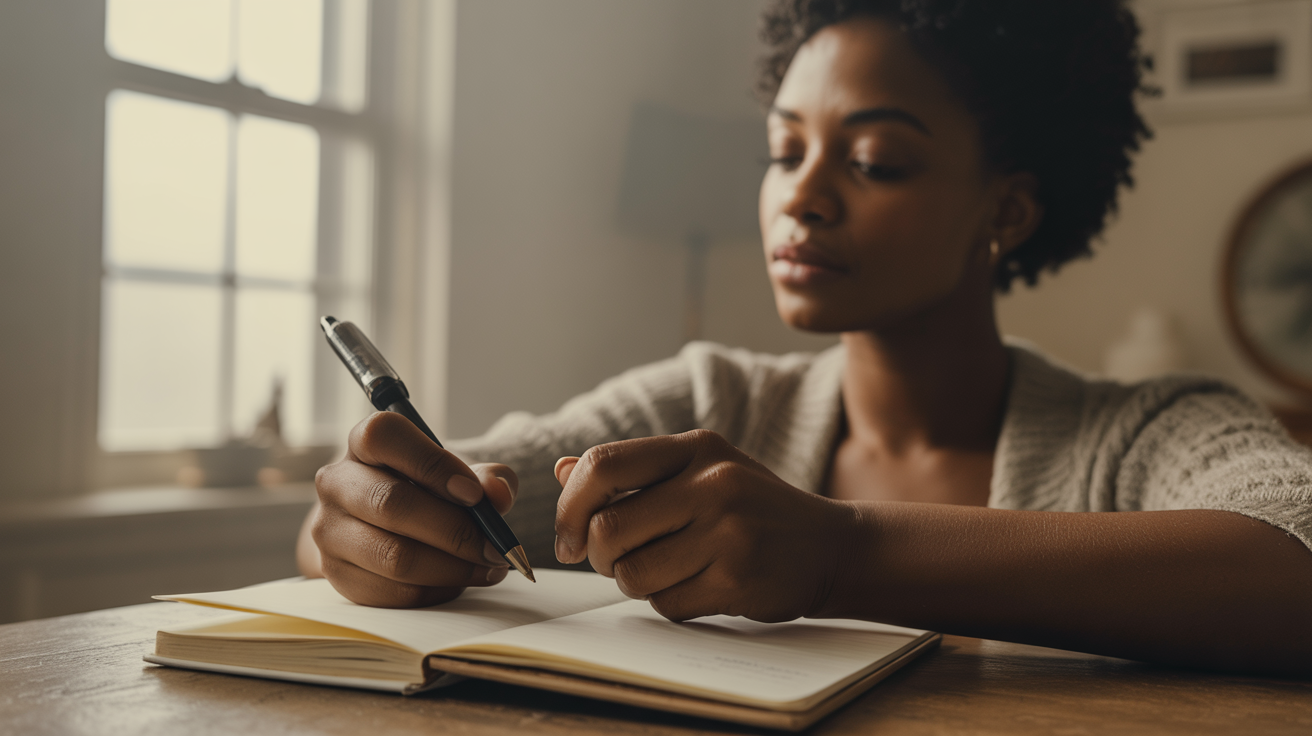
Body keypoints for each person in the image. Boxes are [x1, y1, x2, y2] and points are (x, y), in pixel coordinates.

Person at [297, 0, 1312, 675]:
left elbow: (1293, 560)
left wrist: (843, 548)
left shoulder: (1143, 432)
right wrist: (370, 525)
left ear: (1005, 211)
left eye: (872, 160)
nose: (803, 197)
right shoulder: (706, 404)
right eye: (784, 151)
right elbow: (424, 495)